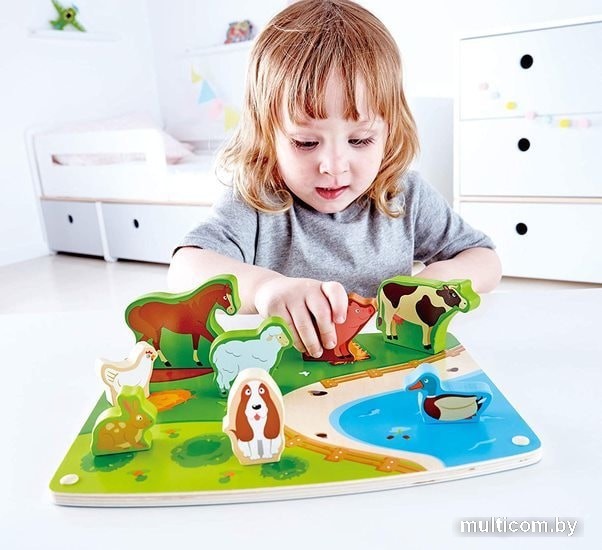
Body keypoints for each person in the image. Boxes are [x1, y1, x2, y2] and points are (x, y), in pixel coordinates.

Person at [168, 0, 501, 360]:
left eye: (360, 140)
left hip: (385, 370)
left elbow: (485, 260)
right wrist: (265, 288)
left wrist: (437, 280)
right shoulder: (256, 198)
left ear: (390, 131)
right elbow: (184, 269)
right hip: (287, 375)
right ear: (267, 134)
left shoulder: (404, 194)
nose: (333, 166)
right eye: (305, 143)